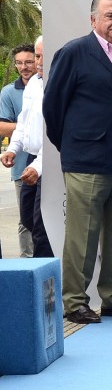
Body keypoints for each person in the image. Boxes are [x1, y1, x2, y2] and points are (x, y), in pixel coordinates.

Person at [43, 0, 112, 324]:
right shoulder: (75, 52)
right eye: (109, 16)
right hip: (86, 160)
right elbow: (53, 107)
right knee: (83, 236)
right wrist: (73, 146)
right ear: (93, 20)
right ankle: (75, 302)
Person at [1, 36, 52, 258]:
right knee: (27, 218)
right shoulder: (33, 83)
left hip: (49, 162)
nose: (38, 62)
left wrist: (38, 167)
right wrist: (13, 149)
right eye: (37, 56)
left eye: (41, 57)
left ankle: (45, 270)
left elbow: (53, 133)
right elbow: (23, 123)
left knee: (42, 228)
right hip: (30, 159)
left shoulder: (57, 83)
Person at [0, 43, 38, 257]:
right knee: (26, 220)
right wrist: (29, 127)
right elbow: (2, 127)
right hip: (21, 167)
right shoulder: (8, 92)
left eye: (29, 62)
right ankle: (27, 261)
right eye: (19, 63)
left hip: (47, 166)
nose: (24, 67)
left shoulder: (47, 84)